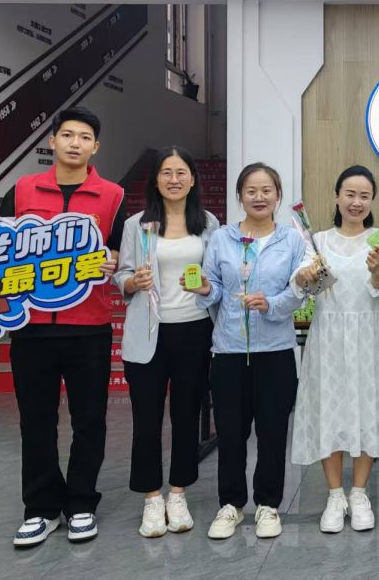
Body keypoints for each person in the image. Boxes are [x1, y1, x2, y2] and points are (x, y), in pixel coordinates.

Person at [2, 106, 125, 548]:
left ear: (96, 147)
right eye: (68, 135)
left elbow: (119, 252)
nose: (76, 143)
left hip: (89, 326)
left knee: (89, 419)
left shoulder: (112, 195)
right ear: (52, 141)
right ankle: (40, 508)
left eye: (85, 137)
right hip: (31, 326)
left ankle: (80, 503)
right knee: (36, 420)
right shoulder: (21, 191)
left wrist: (113, 261)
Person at [184, 163, 306, 540]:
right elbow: (215, 287)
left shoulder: (292, 240)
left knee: (272, 432)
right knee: (231, 433)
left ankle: (268, 505)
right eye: (251, 191)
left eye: (267, 190)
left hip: (276, 351)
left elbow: (300, 292)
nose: (259, 197)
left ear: (278, 195)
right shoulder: (222, 238)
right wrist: (205, 289)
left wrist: (271, 304)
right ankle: (231, 505)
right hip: (229, 352)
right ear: (240, 196)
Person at [113, 146, 219, 538]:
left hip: (194, 330)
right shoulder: (137, 224)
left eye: (181, 173)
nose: (174, 179)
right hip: (148, 332)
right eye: (166, 173)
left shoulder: (208, 223)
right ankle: (151, 498)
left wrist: (209, 287)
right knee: (146, 420)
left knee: (187, 416)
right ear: (156, 180)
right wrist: (130, 281)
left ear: (192, 180)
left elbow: (217, 277)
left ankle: (178, 493)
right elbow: (121, 273)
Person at [291, 165, 379, 533]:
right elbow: (304, 284)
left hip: (368, 334)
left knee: (367, 407)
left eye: (364, 196)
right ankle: (335, 494)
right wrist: (305, 275)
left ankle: (360, 492)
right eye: (350, 194)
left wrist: (377, 269)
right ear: (337, 197)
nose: (357, 202)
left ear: (371, 201)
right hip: (328, 335)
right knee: (330, 408)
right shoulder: (317, 240)